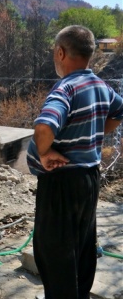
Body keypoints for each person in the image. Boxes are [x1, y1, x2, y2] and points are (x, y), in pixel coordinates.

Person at [27, 25, 123, 299]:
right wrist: (96, 130)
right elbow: (120, 110)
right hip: (89, 180)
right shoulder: (100, 85)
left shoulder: (66, 88)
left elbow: (44, 127)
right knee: (81, 248)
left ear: (60, 52)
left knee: (55, 254)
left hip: (61, 185)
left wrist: (44, 154)